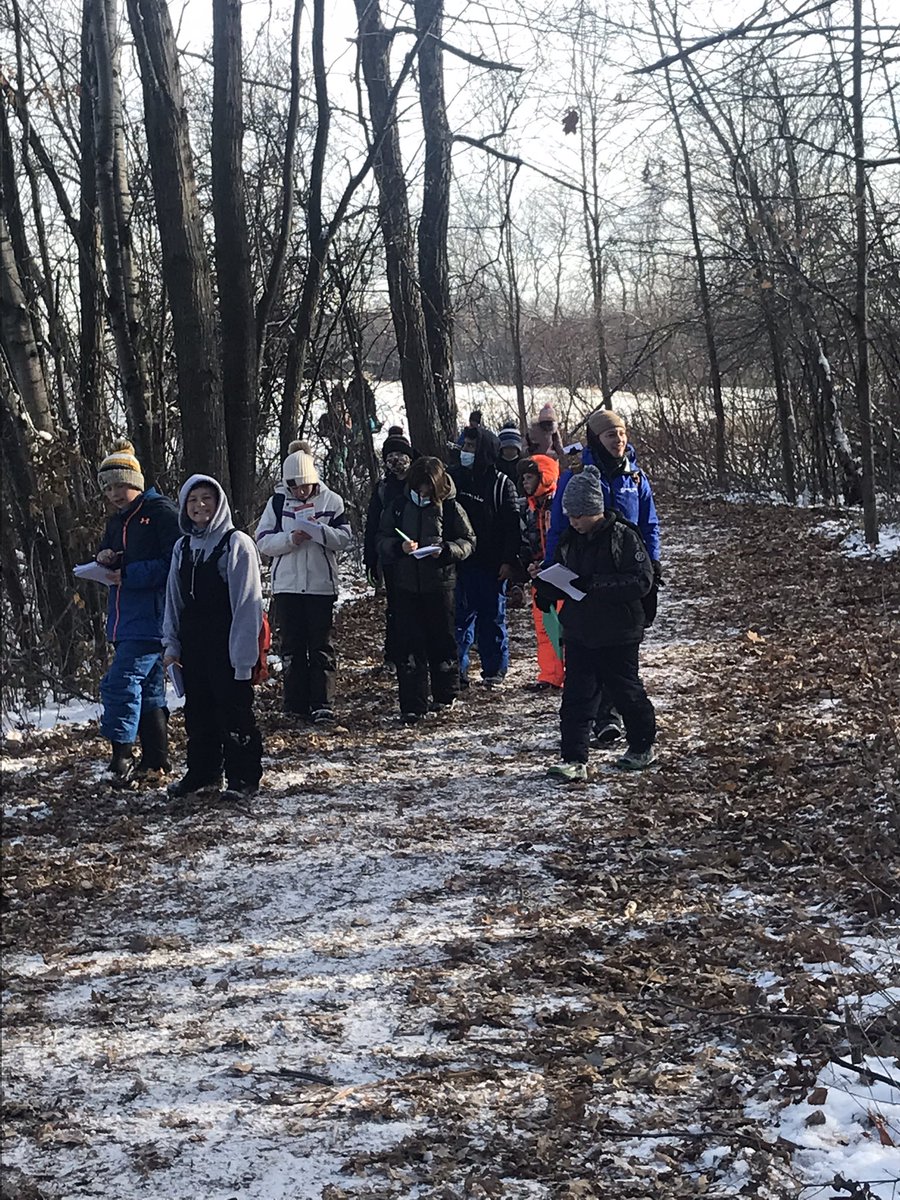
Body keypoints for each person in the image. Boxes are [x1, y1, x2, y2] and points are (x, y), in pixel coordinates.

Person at [544, 408, 662, 746]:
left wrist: (652, 563)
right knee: (592, 643)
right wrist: (554, 567)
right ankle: (603, 718)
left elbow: (649, 523)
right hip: (588, 567)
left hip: (627, 567)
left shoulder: (634, 475)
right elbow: (561, 524)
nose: (619, 440)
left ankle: (615, 714)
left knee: (620, 643)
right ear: (597, 438)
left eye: (622, 434)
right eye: (612, 435)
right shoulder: (579, 473)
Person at [534, 466, 657, 780]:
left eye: (579, 516)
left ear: (595, 510)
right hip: (579, 630)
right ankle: (574, 758)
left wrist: (594, 585)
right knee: (576, 697)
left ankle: (642, 745)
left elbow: (641, 581)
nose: (573, 522)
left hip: (619, 631)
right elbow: (561, 573)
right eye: (570, 516)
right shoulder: (568, 540)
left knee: (626, 691)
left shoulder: (623, 536)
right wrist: (546, 591)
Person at [163, 476, 264, 799]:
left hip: (229, 643)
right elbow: (174, 599)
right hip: (194, 644)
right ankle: (204, 771)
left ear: (219, 503)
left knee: (232, 710)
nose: (199, 506)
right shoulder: (182, 547)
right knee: (199, 711)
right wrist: (171, 644)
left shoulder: (236, 544)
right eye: (193, 500)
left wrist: (243, 658)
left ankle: (243, 776)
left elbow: (248, 603)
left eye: (207, 498)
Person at [94, 439, 180, 783]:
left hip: (152, 616)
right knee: (148, 687)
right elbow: (113, 550)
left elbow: (173, 561)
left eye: (121, 485)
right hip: (123, 616)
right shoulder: (118, 520)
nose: (115, 493)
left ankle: (122, 757)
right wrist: (105, 556)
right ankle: (157, 758)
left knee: (121, 682)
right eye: (109, 488)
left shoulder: (160, 513)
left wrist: (128, 574)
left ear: (136, 483)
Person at [255, 441, 351, 723]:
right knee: (292, 646)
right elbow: (262, 541)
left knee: (321, 645)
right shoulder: (277, 503)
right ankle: (294, 702)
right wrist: (289, 540)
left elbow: (345, 537)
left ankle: (322, 702)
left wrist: (319, 532)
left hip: (321, 586)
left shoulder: (331, 501)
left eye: (305, 486)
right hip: (287, 586)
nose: (300, 492)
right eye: (295, 487)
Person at [376, 457, 475, 722]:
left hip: (441, 584)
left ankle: (446, 695)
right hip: (406, 585)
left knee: (442, 640)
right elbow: (382, 538)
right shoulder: (398, 506)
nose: (422, 493)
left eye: (427, 489)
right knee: (409, 645)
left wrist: (446, 551)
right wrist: (399, 548)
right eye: (418, 488)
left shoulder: (451, 507)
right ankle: (412, 703)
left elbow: (468, 540)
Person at [450, 424, 522, 688]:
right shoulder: (453, 479)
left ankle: (494, 671)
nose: (466, 451)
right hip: (459, 562)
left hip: (492, 565)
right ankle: (457, 670)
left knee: (492, 618)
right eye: (464, 445)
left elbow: (512, 526)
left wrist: (508, 560)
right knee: (459, 620)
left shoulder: (502, 484)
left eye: (471, 446)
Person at [363, 430, 416, 670]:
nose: (396, 461)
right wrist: (371, 559)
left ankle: (416, 653)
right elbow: (372, 524)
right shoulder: (383, 488)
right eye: (390, 456)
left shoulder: (420, 483)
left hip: (419, 555)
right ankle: (393, 655)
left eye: (400, 455)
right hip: (391, 555)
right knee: (395, 607)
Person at [518, 454, 564, 691]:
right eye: (524, 478)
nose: (525, 482)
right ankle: (550, 675)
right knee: (546, 628)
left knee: (569, 629)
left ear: (543, 477)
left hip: (565, 577)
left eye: (530, 477)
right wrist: (530, 563)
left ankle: (574, 674)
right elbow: (527, 541)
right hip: (541, 577)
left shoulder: (562, 504)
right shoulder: (529, 508)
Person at [496, 421, 525, 491]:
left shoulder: (523, 465)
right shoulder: (495, 465)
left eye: (513, 447)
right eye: (506, 447)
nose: (509, 450)